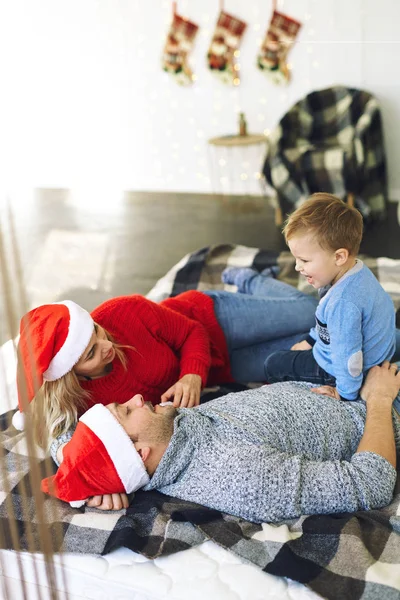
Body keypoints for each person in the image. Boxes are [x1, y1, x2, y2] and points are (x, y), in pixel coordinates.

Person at [14, 280, 319, 508]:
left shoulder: (122, 312)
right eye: (92, 353)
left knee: (311, 312)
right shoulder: (81, 400)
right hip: (222, 370)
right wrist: (99, 485)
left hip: (210, 320)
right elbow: (62, 440)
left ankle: (251, 279)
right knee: (312, 349)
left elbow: (192, 332)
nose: (106, 344)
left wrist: (191, 375)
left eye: (95, 330)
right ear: (71, 372)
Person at [42, 362, 400, 522]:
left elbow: (62, 435)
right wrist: (379, 400)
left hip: (344, 388)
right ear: (138, 453)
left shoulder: (172, 432)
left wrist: (88, 486)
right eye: (126, 411)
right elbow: (371, 482)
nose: (137, 398)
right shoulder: (237, 475)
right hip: (384, 411)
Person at [256, 193, 395, 401]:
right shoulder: (356, 270)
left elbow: (350, 360)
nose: (297, 267)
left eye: (304, 260)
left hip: (347, 369)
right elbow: (329, 325)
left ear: (339, 256)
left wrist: (344, 392)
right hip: (380, 350)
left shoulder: (342, 303)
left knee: (274, 363)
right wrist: (312, 339)